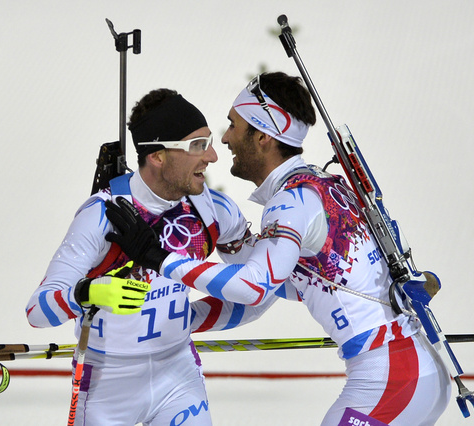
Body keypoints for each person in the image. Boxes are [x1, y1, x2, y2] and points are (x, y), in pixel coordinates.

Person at [105, 73, 453, 425]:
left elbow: (254, 288)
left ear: (262, 137)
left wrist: (159, 258)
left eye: (233, 125)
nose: (225, 140)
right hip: (412, 369)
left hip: (391, 377)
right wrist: (175, 320)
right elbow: (278, 288)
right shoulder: (319, 185)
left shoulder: (290, 203)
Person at [26, 88, 274, 425]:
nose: (213, 156)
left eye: (209, 141)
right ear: (157, 156)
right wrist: (88, 293)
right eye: (197, 146)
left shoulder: (212, 209)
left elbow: (259, 289)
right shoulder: (101, 216)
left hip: (179, 377)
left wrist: (184, 320)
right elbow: (37, 310)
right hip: (107, 386)